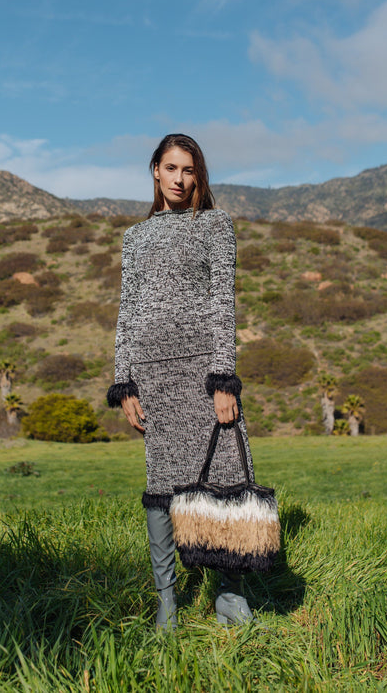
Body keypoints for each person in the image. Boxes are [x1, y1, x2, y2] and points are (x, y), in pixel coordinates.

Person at [107, 133, 255, 630]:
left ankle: (229, 596)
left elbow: (222, 305)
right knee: (162, 485)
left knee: (226, 476)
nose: (178, 178)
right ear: (155, 170)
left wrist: (222, 378)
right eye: (170, 168)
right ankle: (167, 600)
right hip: (151, 372)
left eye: (187, 170)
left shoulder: (215, 225)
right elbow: (127, 312)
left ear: (199, 175)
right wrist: (124, 383)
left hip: (201, 370)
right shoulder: (136, 237)